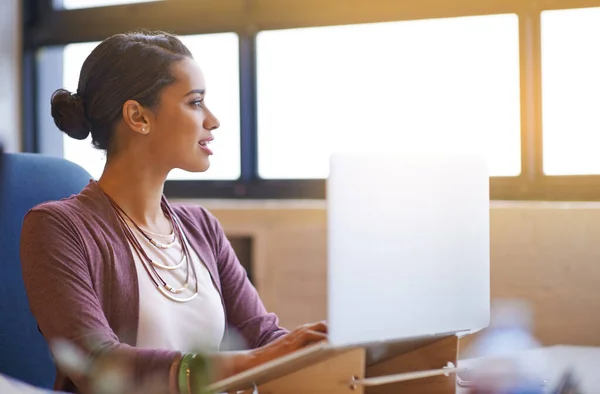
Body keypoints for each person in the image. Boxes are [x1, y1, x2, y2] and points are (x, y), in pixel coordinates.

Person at [20, 30, 327, 394]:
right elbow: (98, 365)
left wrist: (332, 347)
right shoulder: (57, 227)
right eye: (195, 102)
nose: (212, 120)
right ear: (138, 116)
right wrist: (261, 360)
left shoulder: (201, 227)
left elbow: (263, 337)